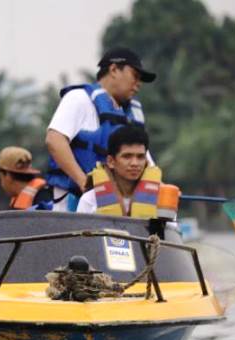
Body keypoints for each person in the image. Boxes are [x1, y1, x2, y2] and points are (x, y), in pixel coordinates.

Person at [45, 47, 156, 211]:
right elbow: (54, 140)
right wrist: (84, 183)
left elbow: (148, 165)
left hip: (118, 212)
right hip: (71, 208)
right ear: (114, 70)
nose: (138, 83)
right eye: (135, 76)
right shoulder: (79, 99)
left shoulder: (132, 115)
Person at [76, 125, 162, 218]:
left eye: (140, 157)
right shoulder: (90, 200)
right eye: (127, 156)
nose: (135, 163)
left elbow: (171, 231)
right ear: (111, 161)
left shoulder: (161, 198)